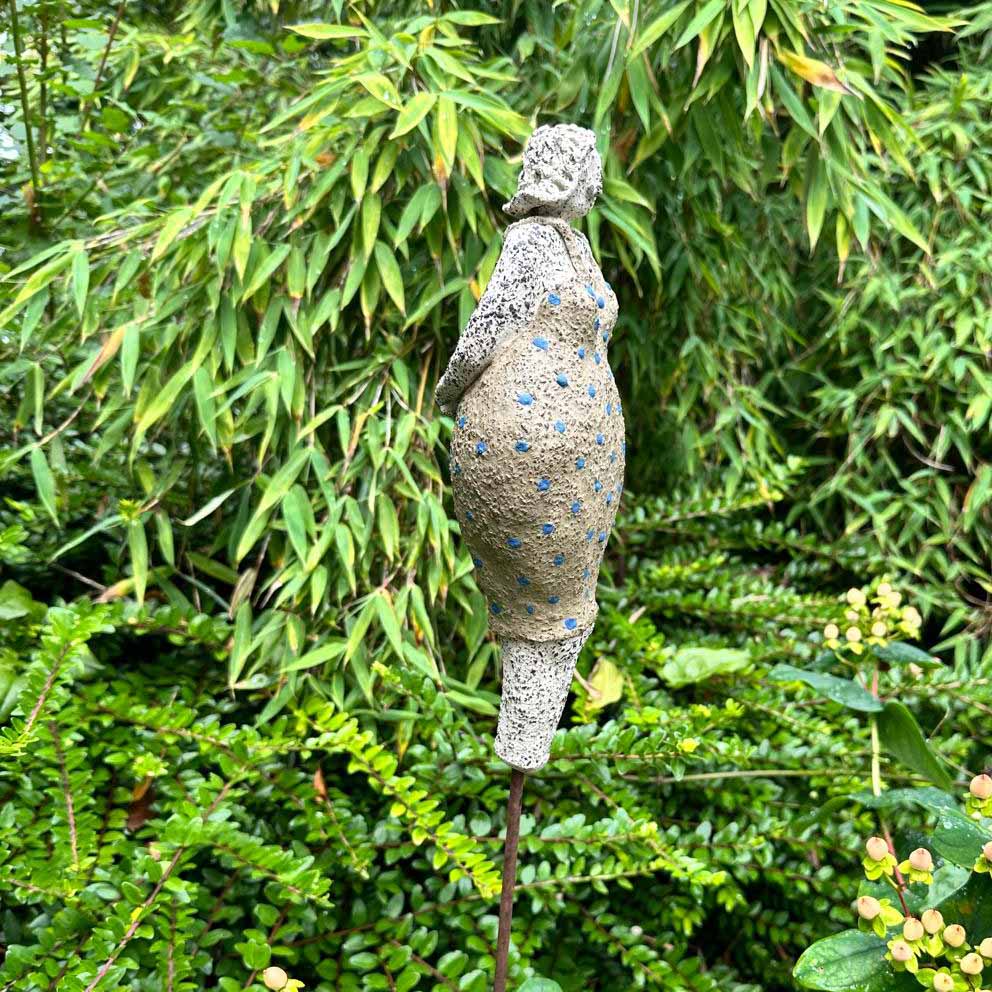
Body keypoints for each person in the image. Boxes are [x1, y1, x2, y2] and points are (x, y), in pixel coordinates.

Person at [436, 123, 625, 771]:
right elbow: (486, 327)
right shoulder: (530, 242)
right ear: (565, 175)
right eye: (588, 167)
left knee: (566, 595)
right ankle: (522, 738)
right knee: (538, 595)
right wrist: (448, 391)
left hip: (586, 454)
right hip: (521, 449)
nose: (598, 180)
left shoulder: (574, 245)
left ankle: (528, 738)